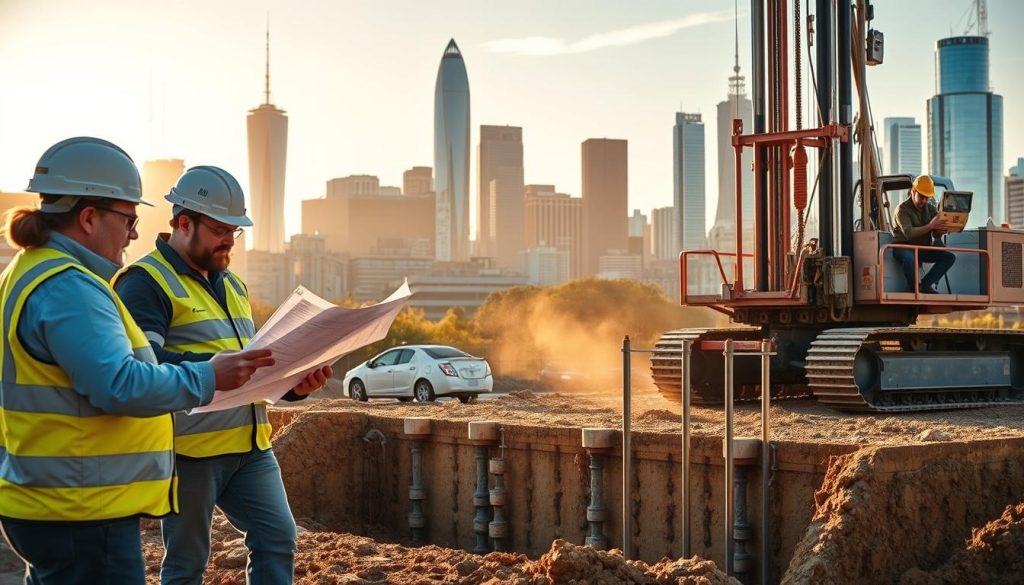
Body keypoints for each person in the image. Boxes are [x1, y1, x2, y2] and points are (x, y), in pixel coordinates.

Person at [0, 137, 275, 585]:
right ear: (89, 217)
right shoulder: (70, 287)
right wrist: (207, 374)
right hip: (83, 510)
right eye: (128, 219)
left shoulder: (30, 271)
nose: (133, 233)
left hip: (55, 501)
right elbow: (120, 385)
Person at [114, 165, 331, 585]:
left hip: (250, 447)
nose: (229, 239)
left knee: (277, 537)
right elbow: (143, 367)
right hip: (188, 453)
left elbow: (250, 371)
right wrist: (209, 370)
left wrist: (294, 387)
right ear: (183, 223)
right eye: (219, 229)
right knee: (187, 563)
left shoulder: (232, 285)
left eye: (235, 230)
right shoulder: (144, 283)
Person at [891, 174, 956, 294]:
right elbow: (909, 233)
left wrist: (942, 229)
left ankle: (926, 284)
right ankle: (915, 288)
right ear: (913, 191)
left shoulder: (930, 209)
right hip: (903, 247)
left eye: (927, 197)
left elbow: (936, 234)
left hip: (920, 248)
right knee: (909, 258)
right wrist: (931, 226)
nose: (924, 201)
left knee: (949, 257)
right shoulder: (902, 210)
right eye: (921, 197)